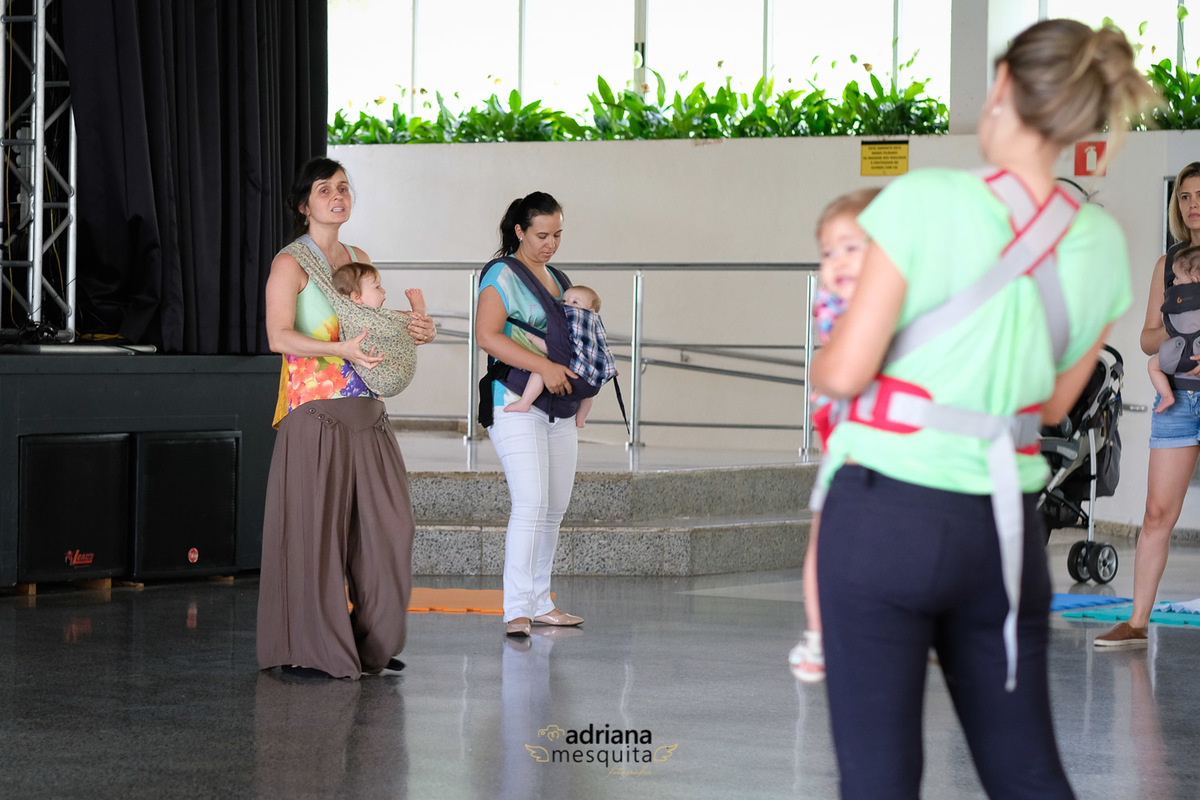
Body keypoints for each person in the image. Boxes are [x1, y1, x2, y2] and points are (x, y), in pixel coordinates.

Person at [808, 19, 1154, 799]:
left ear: (1001, 84)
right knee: (1026, 773)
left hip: (883, 515)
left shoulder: (925, 197)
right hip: (1000, 529)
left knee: (878, 779)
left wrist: (827, 360)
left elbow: (847, 370)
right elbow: (1055, 401)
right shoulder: (1100, 240)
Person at [258, 156, 436, 679]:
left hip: (368, 412)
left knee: (391, 530)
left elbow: (371, 323)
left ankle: (371, 643)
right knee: (314, 536)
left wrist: (413, 326)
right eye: (324, 190)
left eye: (343, 188)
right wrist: (342, 350)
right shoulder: (289, 264)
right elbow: (278, 337)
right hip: (315, 415)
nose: (337, 196)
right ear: (303, 205)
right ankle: (309, 648)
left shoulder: (358, 258)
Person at [1095, 162, 1200, 648]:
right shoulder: (1167, 264)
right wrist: (1177, 335)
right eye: (1185, 197)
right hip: (1176, 401)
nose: (1193, 205)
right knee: (1157, 513)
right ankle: (1137, 624)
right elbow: (1145, 338)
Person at [475, 191, 584, 637]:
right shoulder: (501, 274)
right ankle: (517, 608)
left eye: (557, 235)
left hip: (559, 404)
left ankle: (541, 602)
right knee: (531, 502)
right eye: (542, 235)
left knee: (554, 507)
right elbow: (487, 336)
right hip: (515, 399)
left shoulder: (558, 278)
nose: (550, 244)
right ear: (519, 231)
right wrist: (544, 366)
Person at [789, 187, 879, 684]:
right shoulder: (835, 306)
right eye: (828, 252)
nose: (838, 261)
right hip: (847, 446)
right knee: (824, 538)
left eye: (851, 247)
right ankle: (819, 633)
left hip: (890, 450)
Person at [503, 284, 613, 428]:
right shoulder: (595, 328)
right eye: (564, 301)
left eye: (575, 302)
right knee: (587, 395)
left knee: (541, 369)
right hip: (592, 385)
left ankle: (524, 402)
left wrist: (533, 338)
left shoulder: (570, 324)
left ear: (591, 311)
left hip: (571, 379)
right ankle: (581, 418)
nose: (567, 304)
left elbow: (554, 349)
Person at [1145, 245, 1200, 415]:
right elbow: (1146, 342)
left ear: (1193, 280)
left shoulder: (1173, 302)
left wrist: (1172, 322)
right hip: (1193, 355)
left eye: (1177, 278)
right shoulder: (1167, 262)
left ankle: (1166, 396)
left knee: (1153, 365)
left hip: (1176, 353)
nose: (1174, 282)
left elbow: (1164, 319)